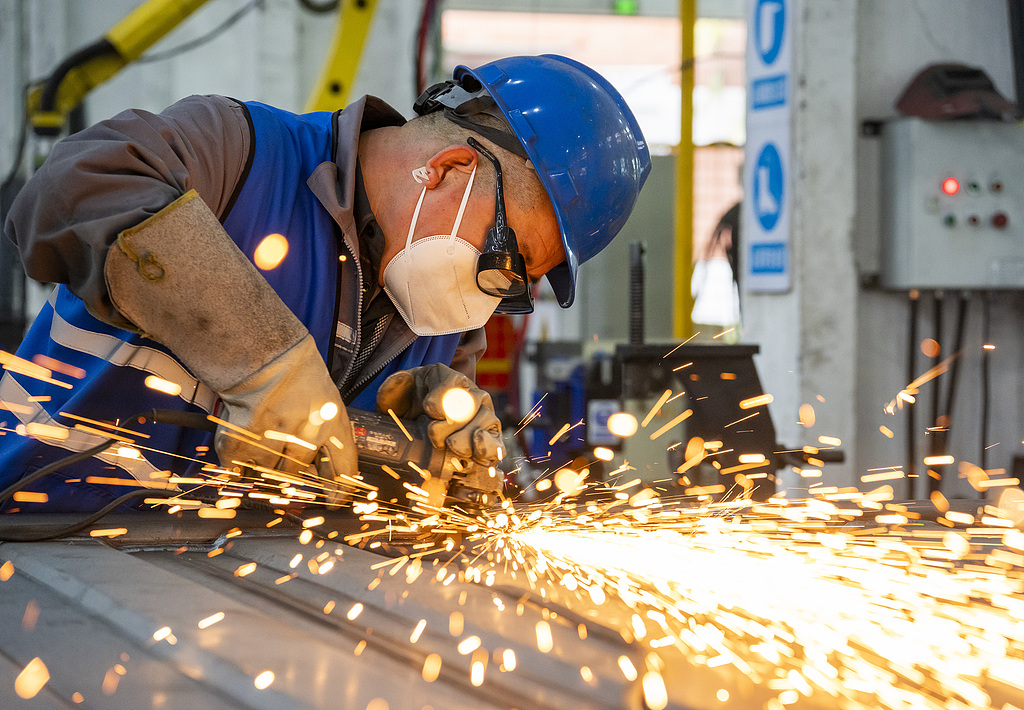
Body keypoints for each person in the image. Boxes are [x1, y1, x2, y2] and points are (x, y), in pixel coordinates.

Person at [0, 54, 650, 513]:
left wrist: (433, 468)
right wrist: (263, 361)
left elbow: (390, 513)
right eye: (507, 256)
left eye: (517, 284)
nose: (491, 294)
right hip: (37, 549)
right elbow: (67, 191)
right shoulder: (240, 157)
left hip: (219, 604)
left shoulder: (446, 327)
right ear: (449, 169)